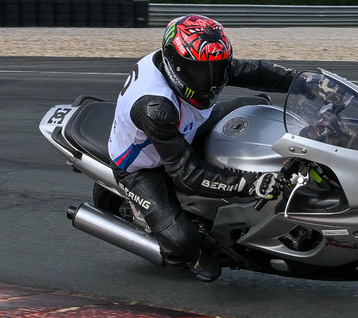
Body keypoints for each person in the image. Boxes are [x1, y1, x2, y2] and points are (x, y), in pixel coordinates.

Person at [108, 14, 296, 281]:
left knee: (259, 104)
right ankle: (184, 255)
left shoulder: (190, 59)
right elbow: (186, 173)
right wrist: (249, 183)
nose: (210, 79)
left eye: (217, 68)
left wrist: (304, 83)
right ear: (175, 63)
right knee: (186, 244)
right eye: (199, 71)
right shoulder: (155, 108)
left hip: (187, 126)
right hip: (143, 167)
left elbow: (255, 71)